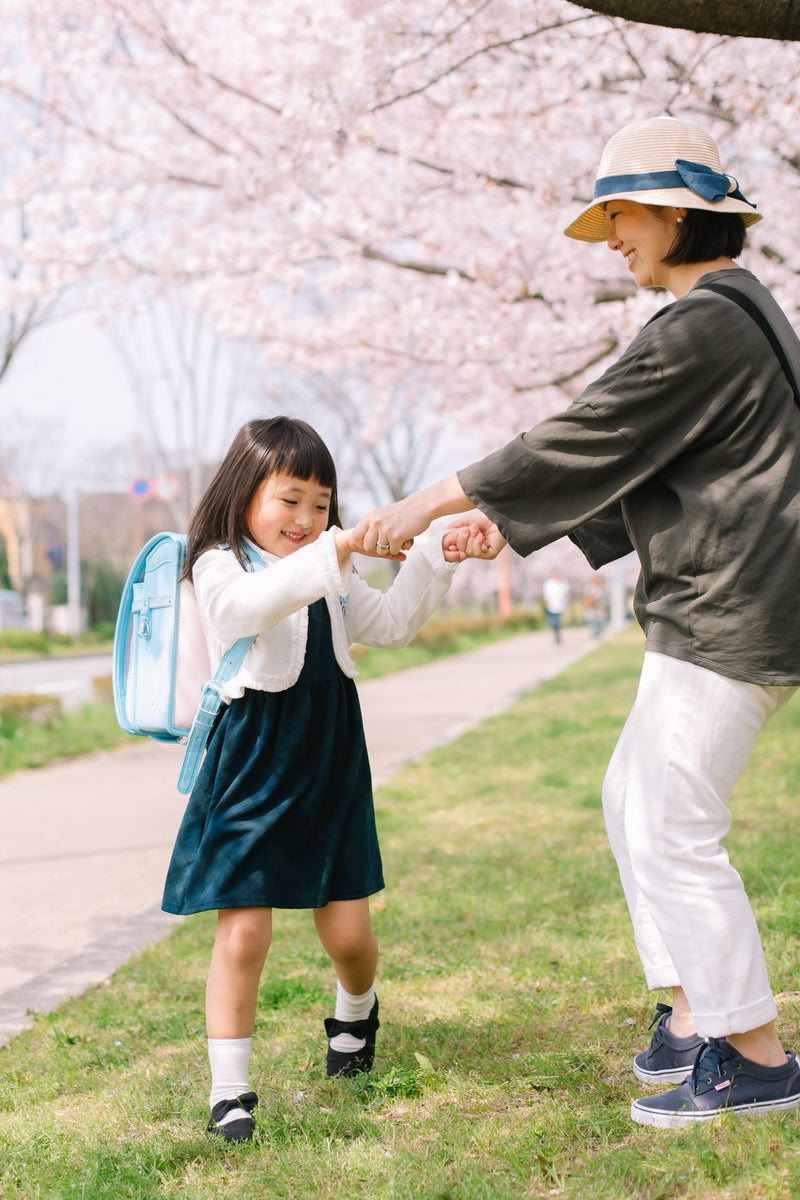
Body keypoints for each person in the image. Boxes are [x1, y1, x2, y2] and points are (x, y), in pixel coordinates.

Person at [352, 115, 800, 1128]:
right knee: (628, 796)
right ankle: (690, 1018)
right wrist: (502, 532)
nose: (609, 238)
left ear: (679, 213)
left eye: (622, 215)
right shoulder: (734, 316)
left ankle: (753, 1056)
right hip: (724, 605)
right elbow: (656, 457)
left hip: (727, 610)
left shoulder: (706, 322)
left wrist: (429, 505)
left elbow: (589, 431)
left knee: (672, 822)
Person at [161, 416, 492, 1143]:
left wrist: (438, 547)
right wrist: (334, 549)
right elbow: (238, 609)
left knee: (348, 933)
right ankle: (229, 1093)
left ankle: (355, 1012)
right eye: (290, 500)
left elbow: (396, 621)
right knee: (243, 933)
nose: (308, 519)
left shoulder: (330, 567)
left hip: (332, 756)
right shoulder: (219, 561)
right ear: (245, 494)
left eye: (321, 503)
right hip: (250, 762)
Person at [542, 571, 570, 643]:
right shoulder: (548, 584)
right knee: (553, 622)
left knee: (557, 622)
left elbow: (565, 593)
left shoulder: (563, 584)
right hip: (550, 606)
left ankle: (557, 635)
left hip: (559, 606)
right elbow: (546, 594)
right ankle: (556, 634)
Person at [582, 575, 607, 639]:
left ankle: (597, 636)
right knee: (592, 626)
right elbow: (585, 599)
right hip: (591, 611)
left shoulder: (602, 589)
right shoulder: (588, 588)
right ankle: (593, 638)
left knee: (600, 627)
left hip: (600, 611)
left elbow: (604, 600)